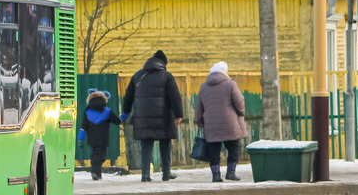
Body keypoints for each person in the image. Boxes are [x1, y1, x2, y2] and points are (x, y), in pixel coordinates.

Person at [121, 50, 184, 182]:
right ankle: (166, 173)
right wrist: (178, 114)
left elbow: (128, 97)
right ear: (163, 63)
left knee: (146, 145)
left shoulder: (138, 75)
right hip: (164, 117)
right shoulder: (166, 76)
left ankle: (145, 175)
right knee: (165, 143)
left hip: (143, 117)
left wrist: (126, 112)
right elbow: (175, 97)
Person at [195, 61, 249, 182]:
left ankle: (216, 175)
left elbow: (198, 107)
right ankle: (231, 172)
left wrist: (199, 121)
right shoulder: (230, 84)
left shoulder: (203, 87)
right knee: (233, 147)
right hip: (230, 122)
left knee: (213, 149)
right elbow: (239, 101)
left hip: (211, 123)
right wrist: (241, 112)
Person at [78, 89, 121, 180]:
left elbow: (83, 127)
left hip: (92, 139)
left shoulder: (87, 112)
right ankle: (96, 173)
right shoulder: (107, 111)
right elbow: (117, 121)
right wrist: (124, 117)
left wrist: (80, 139)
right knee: (100, 156)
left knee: (94, 154)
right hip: (103, 138)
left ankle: (96, 173)